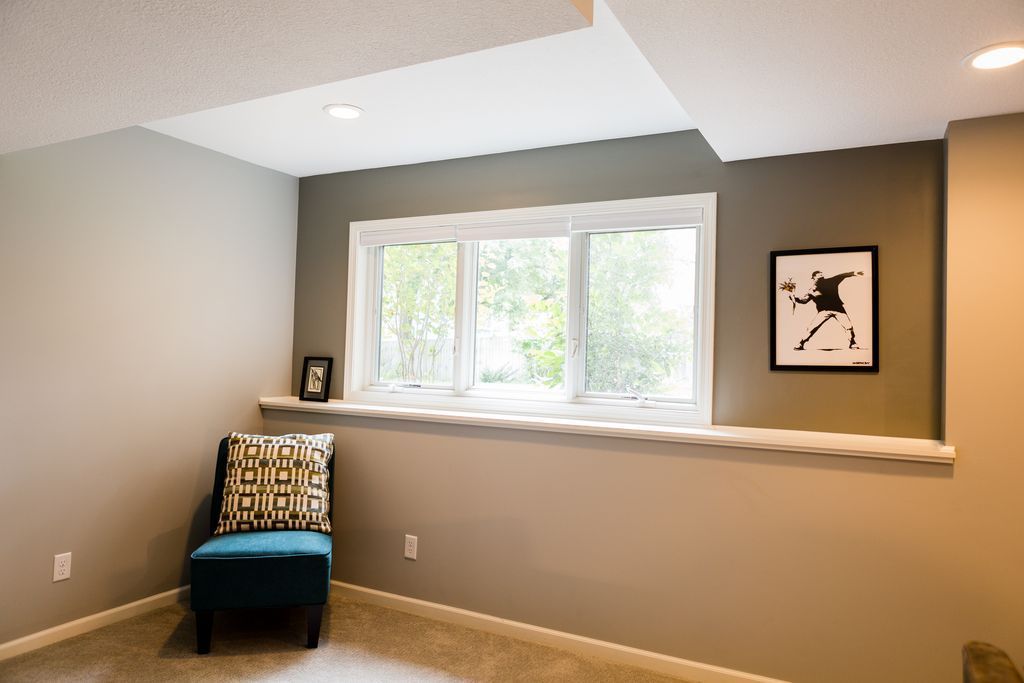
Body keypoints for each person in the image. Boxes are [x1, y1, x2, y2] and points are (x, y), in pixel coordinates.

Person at [790, 269, 864, 350]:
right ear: (813, 278)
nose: (820, 276)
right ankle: (801, 344)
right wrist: (794, 298)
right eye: (817, 276)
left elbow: (841, 275)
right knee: (812, 328)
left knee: (848, 326)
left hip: (838, 309)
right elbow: (804, 301)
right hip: (824, 311)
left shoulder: (831, 281)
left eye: (821, 275)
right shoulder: (811, 290)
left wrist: (854, 273)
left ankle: (852, 342)